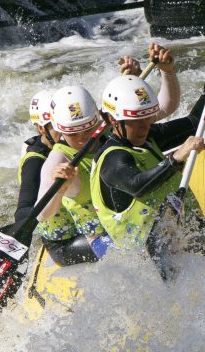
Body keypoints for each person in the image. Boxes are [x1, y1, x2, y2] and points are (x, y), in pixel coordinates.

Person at [36, 43, 181, 265]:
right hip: (90, 240)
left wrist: (166, 72)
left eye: (88, 129)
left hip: (120, 228)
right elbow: (42, 215)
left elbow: (164, 108)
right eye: (75, 134)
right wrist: (60, 188)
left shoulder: (105, 129)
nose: (85, 138)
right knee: (147, 249)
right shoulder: (58, 159)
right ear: (60, 131)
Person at [91, 50, 205, 251]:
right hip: (149, 256)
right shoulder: (112, 158)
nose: (143, 126)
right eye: (134, 121)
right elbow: (136, 185)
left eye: (146, 118)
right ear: (113, 120)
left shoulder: (148, 136)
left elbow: (196, 123)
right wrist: (176, 158)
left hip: (182, 236)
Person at [15, 89, 61, 229]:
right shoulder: (35, 162)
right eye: (57, 125)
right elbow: (21, 215)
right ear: (41, 128)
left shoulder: (74, 139)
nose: (65, 130)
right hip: (59, 232)